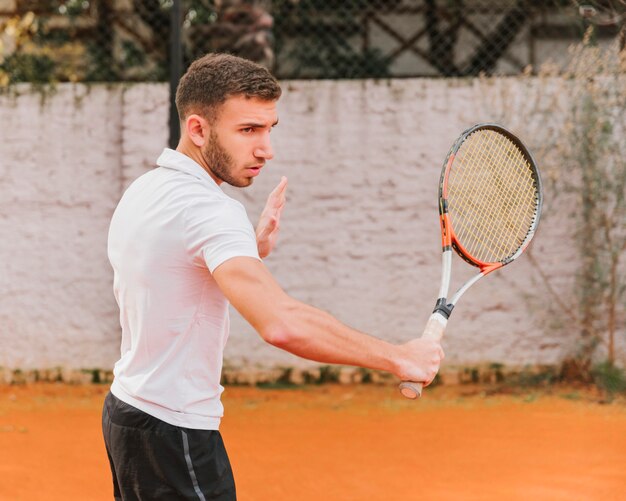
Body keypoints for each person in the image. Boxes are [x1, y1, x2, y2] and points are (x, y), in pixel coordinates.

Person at [102, 53, 444, 500]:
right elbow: (281, 323)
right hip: (176, 429)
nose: (266, 148)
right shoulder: (212, 211)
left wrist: (250, 249)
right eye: (248, 130)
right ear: (198, 130)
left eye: (269, 129)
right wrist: (401, 357)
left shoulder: (149, 189)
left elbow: (169, 270)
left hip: (126, 411)